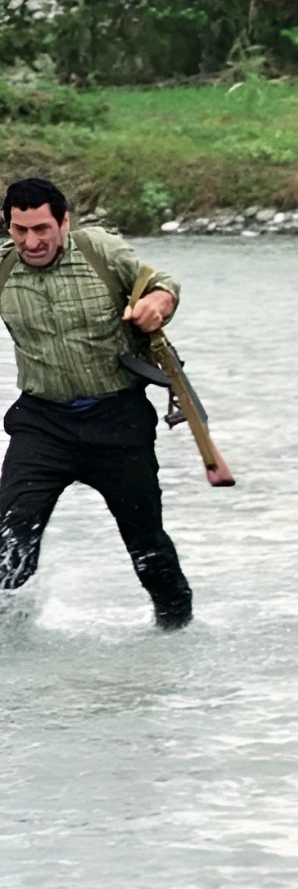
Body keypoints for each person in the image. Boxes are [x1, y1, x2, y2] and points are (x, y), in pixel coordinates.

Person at [0, 178, 193, 628]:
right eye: (19, 230)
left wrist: (157, 305)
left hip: (118, 421)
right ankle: (11, 648)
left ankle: (177, 636)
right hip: (42, 424)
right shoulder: (3, 269)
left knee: (148, 549)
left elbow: (163, 284)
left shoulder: (98, 251)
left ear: (64, 222)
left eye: (42, 228)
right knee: (8, 544)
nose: (32, 241)